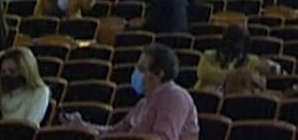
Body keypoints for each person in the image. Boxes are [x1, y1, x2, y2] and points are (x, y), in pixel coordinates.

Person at [63, 44, 199, 139]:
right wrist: (83, 126)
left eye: (141, 69)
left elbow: (162, 138)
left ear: (159, 74)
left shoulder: (175, 97)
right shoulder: (143, 103)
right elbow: (114, 132)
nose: (136, 73)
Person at [196, 25, 275, 92]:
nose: (236, 48)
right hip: (207, 93)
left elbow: (270, 71)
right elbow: (202, 73)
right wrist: (235, 76)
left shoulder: (252, 60)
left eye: (240, 45)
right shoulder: (209, 55)